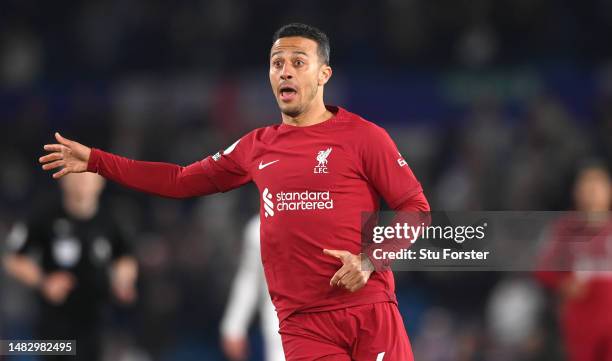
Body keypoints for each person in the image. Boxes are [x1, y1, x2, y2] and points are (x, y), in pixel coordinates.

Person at [38, 23, 429, 360]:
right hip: (303, 324)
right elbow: (179, 180)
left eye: (298, 62)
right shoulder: (255, 147)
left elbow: (416, 208)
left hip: (367, 309)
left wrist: (369, 260)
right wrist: (97, 161)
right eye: (277, 64)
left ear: (324, 73)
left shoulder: (364, 137)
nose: (285, 72)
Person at [3, 172, 138, 361]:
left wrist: (123, 281)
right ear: (64, 181)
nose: (82, 183)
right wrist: (44, 282)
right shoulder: (44, 216)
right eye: (77, 177)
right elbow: (13, 259)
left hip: (96, 321)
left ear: (100, 182)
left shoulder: (111, 220)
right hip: (54, 322)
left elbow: (125, 257)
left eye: (88, 177)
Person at [536, 162, 612, 361]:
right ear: (577, 192)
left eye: (598, 185)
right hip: (581, 322)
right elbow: (543, 268)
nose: (592, 191)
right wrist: (563, 284)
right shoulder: (564, 229)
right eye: (587, 185)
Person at [220, 215, 284, 361]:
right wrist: (234, 326)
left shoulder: (332, 217)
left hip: (329, 325)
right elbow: (249, 279)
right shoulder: (260, 228)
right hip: (280, 329)